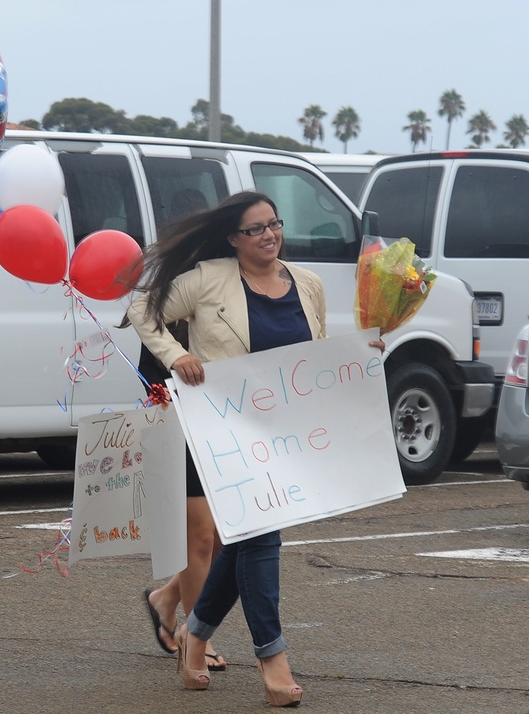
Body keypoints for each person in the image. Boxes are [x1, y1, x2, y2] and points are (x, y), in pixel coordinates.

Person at [127, 190, 384, 706]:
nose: (269, 234)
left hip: (283, 433)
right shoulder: (209, 279)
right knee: (261, 536)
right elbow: (142, 309)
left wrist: (361, 353)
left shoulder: (307, 284)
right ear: (232, 238)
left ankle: (195, 636)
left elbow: (312, 358)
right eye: (255, 228)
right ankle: (272, 656)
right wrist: (177, 356)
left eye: (274, 224)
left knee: (245, 538)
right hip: (224, 430)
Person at [138, 321, 227, 672]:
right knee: (202, 535)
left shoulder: (247, 270)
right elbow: (145, 319)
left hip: (234, 408)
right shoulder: (171, 282)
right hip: (180, 403)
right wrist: (175, 359)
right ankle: (197, 636)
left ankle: (167, 597)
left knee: (228, 535)